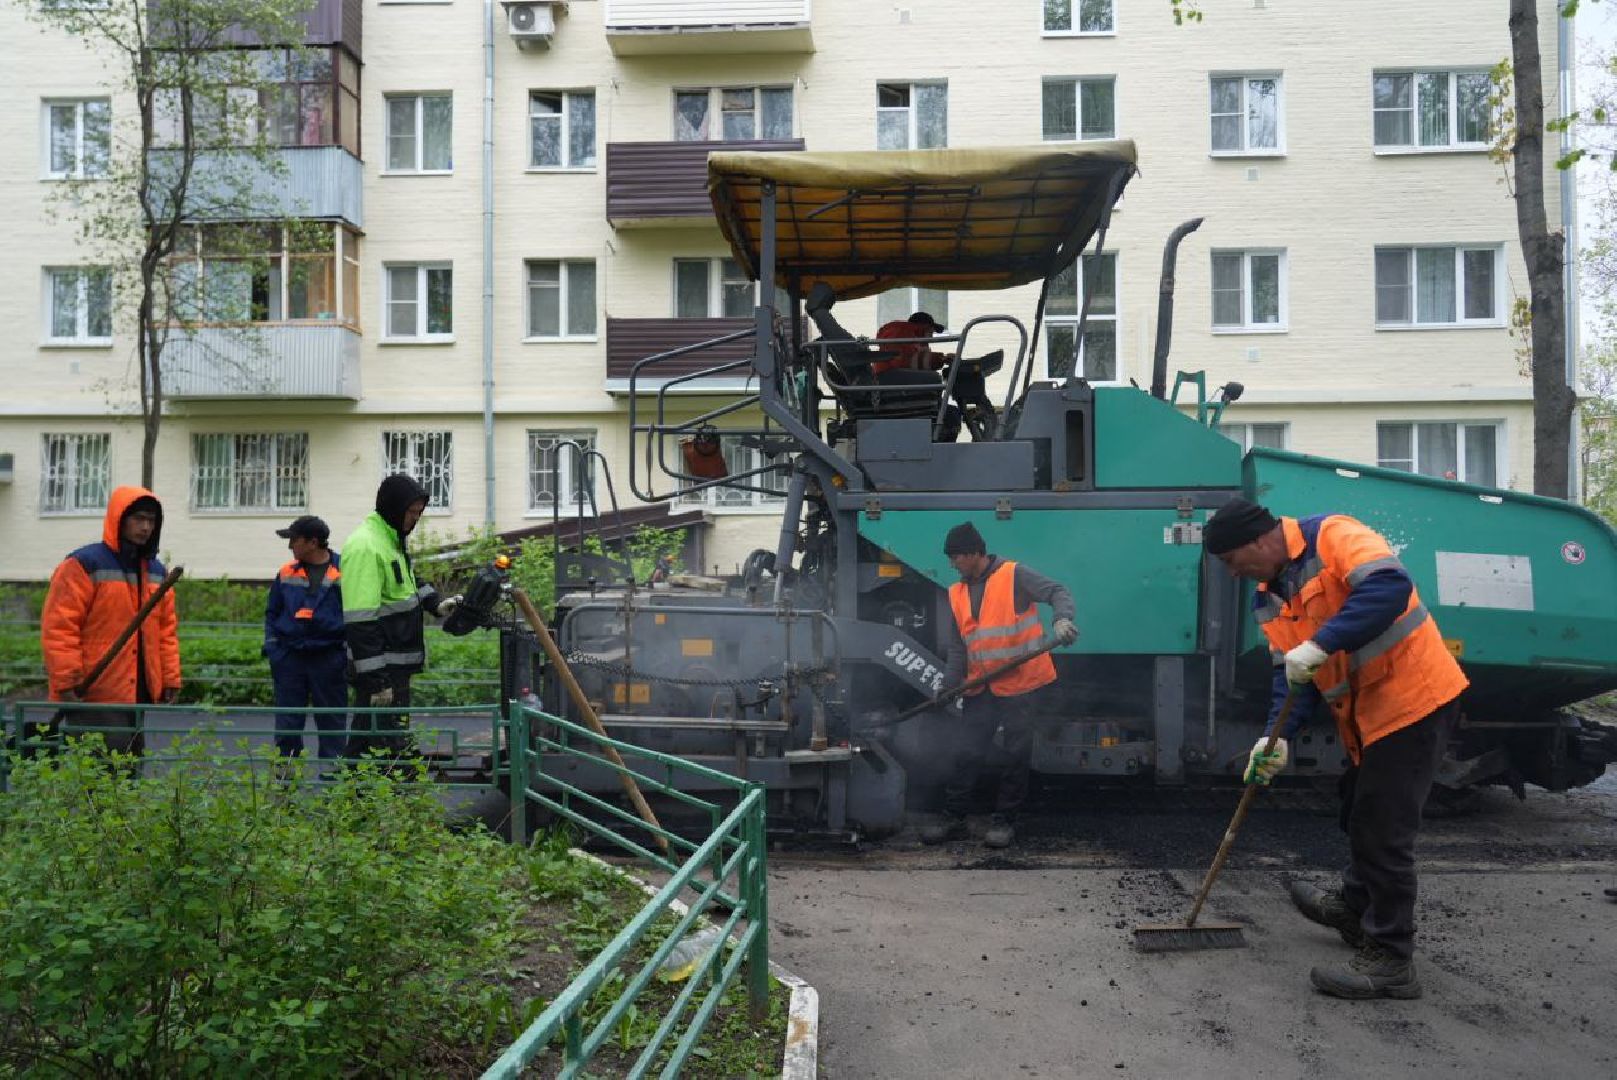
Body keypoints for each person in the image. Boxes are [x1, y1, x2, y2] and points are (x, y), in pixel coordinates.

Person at [1203, 496, 1469, 1002]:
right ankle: (1354, 908)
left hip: (1415, 698)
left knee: (1384, 829)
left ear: (1259, 541)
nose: (1237, 576)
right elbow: (1292, 675)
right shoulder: (1269, 597)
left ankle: (1391, 959)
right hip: (1367, 712)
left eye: (1236, 563)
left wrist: (1321, 644)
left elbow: (1390, 587)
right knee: (1356, 808)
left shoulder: (1334, 535)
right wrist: (1273, 737)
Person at [921, 521, 1078, 849]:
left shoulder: (1014, 575)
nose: (952, 565)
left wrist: (1062, 619)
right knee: (966, 751)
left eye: (956, 558)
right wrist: (949, 686)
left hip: (1020, 685)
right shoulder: (958, 592)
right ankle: (954, 815)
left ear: (975, 554)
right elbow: (958, 647)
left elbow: (1057, 591)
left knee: (1015, 755)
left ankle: (1005, 820)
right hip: (981, 687)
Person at [40, 486, 181, 756]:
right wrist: (67, 681)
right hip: (95, 689)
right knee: (102, 772)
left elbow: (165, 631)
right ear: (120, 518)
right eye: (138, 519)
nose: (145, 527)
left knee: (129, 767)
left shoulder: (155, 571)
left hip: (138, 690)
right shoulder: (83, 564)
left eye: (151, 521)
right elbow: (60, 627)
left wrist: (169, 678)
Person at [340, 475, 459, 760]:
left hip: (394, 664)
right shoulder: (365, 546)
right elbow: (360, 621)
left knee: (380, 739)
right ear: (394, 507)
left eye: (419, 513)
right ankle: (369, 796)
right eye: (411, 512)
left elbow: (406, 580)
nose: (414, 520)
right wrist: (378, 682)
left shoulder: (389, 539)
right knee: (379, 745)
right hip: (381, 667)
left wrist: (435, 603)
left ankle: (363, 792)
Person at [264, 515, 347, 762]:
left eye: (294, 540)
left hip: (329, 658)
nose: (290, 546)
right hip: (290, 658)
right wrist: (274, 650)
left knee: (332, 726)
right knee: (287, 726)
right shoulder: (286, 572)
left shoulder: (346, 569)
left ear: (312, 543)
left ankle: (334, 792)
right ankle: (284, 789)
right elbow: (272, 612)